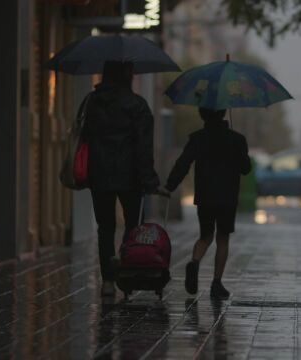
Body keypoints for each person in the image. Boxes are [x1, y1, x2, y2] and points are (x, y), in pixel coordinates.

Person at [83, 61, 163, 296]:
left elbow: (84, 135)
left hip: (99, 173)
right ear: (128, 76)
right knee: (133, 226)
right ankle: (126, 269)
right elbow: (143, 147)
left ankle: (107, 281)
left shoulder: (92, 102)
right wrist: (150, 181)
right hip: (130, 177)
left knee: (105, 227)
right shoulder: (137, 105)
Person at [161, 107, 252, 299]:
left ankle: (194, 262)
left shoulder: (198, 138)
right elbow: (246, 169)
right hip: (227, 197)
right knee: (223, 238)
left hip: (205, 196)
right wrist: (240, 151)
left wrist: (170, 185)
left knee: (206, 236)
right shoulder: (237, 139)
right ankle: (216, 284)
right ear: (223, 113)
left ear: (203, 115)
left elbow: (183, 163)